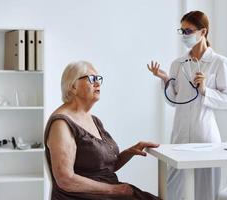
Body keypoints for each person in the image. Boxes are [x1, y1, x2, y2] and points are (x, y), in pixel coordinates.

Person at [147, 11, 227, 200]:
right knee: (173, 191)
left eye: (189, 31)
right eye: (182, 31)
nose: (184, 35)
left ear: (203, 31)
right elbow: (173, 101)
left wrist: (205, 90)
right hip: (180, 137)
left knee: (205, 192)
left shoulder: (219, 63)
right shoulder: (177, 64)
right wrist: (165, 80)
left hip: (205, 137)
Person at [44, 61, 161, 200]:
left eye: (98, 79)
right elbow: (65, 180)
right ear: (73, 87)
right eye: (91, 79)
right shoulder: (61, 124)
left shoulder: (94, 120)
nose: (98, 83)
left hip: (107, 192)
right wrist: (115, 190)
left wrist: (129, 152)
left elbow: (102, 168)